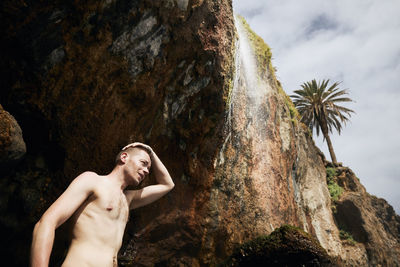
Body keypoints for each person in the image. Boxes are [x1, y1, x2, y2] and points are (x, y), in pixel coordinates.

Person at [30, 142, 174, 267]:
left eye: (149, 168)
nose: (147, 170)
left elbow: (167, 185)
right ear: (124, 157)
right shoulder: (93, 181)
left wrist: (151, 152)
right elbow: (46, 222)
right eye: (143, 163)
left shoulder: (128, 199)